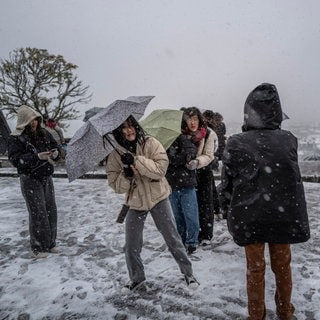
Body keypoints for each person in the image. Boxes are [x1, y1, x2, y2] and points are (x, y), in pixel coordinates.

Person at [219, 83, 310, 320]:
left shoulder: (236, 142)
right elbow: (293, 178)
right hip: (282, 214)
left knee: (255, 269)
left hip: (250, 215)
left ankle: (256, 315)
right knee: (282, 267)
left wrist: (226, 206)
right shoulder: (289, 139)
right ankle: (285, 311)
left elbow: (227, 182)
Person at [105, 115, 199, 293]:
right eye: (123, 128)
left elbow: (159, 171)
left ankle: (188, 273)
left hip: (158, 198)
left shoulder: (151, 143)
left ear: (136, 126)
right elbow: (115, 185)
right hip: (135, 201)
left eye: (131, 126)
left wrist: (137, 161)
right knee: (131, 245)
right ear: (118, 131)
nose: (128, 130)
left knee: (173, 238)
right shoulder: (116, 154)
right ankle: (137, 279)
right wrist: (127, 175)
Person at [8, 105, 61, 259]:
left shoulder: (44, 133)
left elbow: (55, 147)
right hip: (29, 178)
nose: (34, 124)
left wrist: (56, 154)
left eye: (36, 120)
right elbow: (15, 160)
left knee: (51, 210)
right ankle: (37, 247)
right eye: (31, 121)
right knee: (38, 212)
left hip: (46, 176)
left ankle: (51, 243)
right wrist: (36, 157)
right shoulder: (16, 137)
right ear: (24, 121)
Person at [181, 107, 216, 246]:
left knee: (205, 203)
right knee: (188, 206)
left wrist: (197, 162)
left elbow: (209, 155)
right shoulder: (182, 134)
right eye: (189, 119)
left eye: (195, 118)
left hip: (203, 171)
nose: (192, 122)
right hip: (186, 173)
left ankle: (206, 234)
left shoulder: (208, 133)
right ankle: (191, 233)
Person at [166, 131, 199, 254]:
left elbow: (190, 152)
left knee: (190, 215)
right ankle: (180, 240)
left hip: (186, 183)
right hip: (171, 184)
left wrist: (173, 159)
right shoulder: (161, 143)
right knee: (178, 216)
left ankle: (192, 242)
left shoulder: (181, 138)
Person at [202, 110, 222, 220]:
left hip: (206, 162)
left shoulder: (207, 131)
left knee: (210, 189)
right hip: (209, 161)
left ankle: (214, 211)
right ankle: (217, 210)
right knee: (211, 188)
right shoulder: (213, 129)